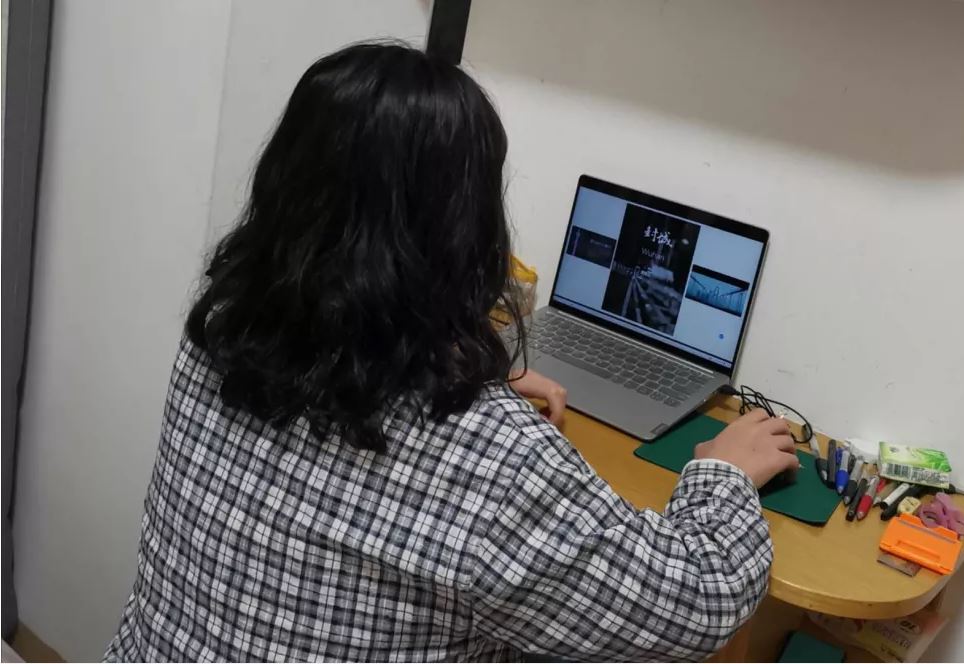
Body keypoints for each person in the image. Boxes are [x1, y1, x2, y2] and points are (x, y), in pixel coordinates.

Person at [104, 42, 798, 662]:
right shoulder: (492, 463)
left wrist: (453, 368)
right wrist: (724, 473)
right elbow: (694, 606)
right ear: (465, 229)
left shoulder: (220, 335)